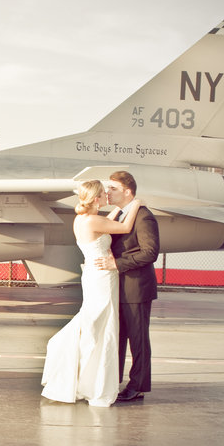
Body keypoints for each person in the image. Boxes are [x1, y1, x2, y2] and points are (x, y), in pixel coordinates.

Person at [40, 180, 140, 407]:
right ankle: (93, 380)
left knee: (95, 321)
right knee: (100, 324)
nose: (107, 196)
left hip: (94, 275)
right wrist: (135, 204)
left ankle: (85, 376)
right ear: (96, 199)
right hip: (103, 277)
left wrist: (117, 209)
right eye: (104, 194)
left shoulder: (83, 219)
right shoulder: (94, 220)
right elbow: (124, 228)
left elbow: (107, 223)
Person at [96, 171, 159, 402]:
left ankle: (138, 386)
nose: (107, 192)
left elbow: (150, 252)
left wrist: (117, 263)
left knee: (138, 339)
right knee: (118, 337)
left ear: (127, 191)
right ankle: (114, 382)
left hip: (136, 288)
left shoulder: (143, 217)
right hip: (118, 286)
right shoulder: (122, 214)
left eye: (112, 188)